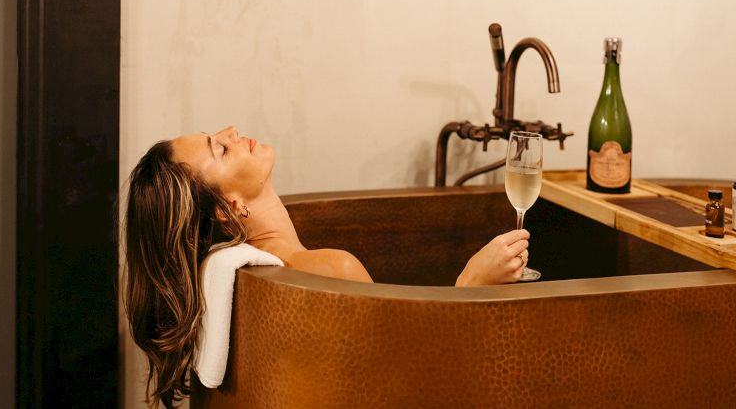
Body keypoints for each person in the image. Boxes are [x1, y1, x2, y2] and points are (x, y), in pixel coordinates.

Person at [124, 125, 530, 408]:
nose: (231, 131)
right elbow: (412, 392)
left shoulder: (227, 275)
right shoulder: (333, 270)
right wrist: (472, 284)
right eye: (221, 149)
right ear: (228, 208)